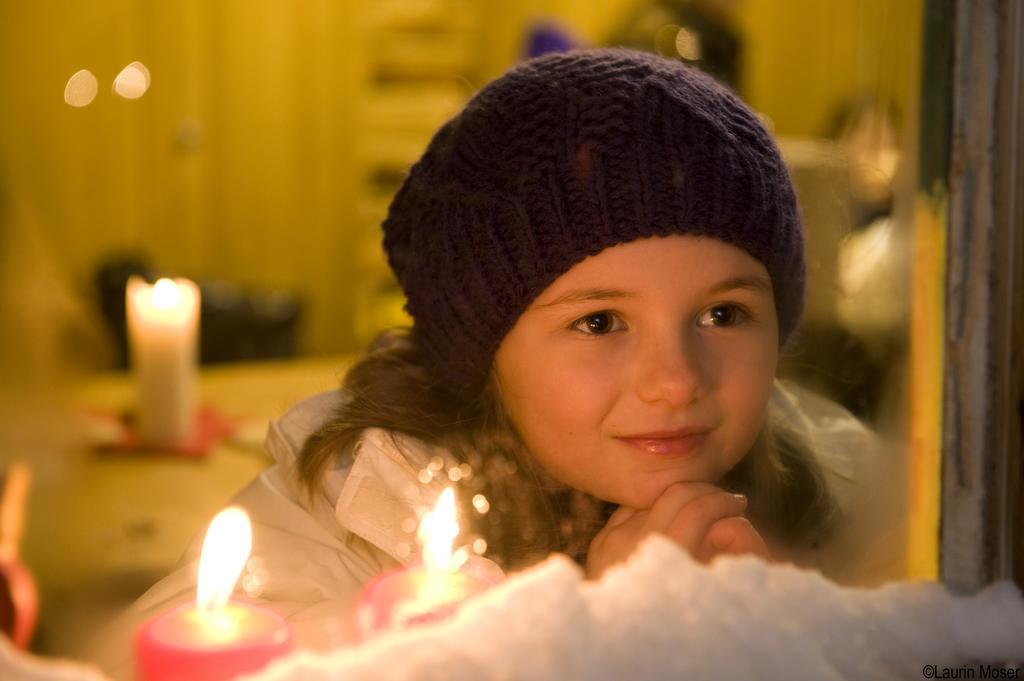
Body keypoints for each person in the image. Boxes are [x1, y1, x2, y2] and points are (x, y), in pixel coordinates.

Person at [87, 47, 904, 679]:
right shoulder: (353, 512)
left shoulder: (848, 495)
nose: (677, 379)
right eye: (600, 320)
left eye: (724, 313)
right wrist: (579, 633)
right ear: (483, 350)